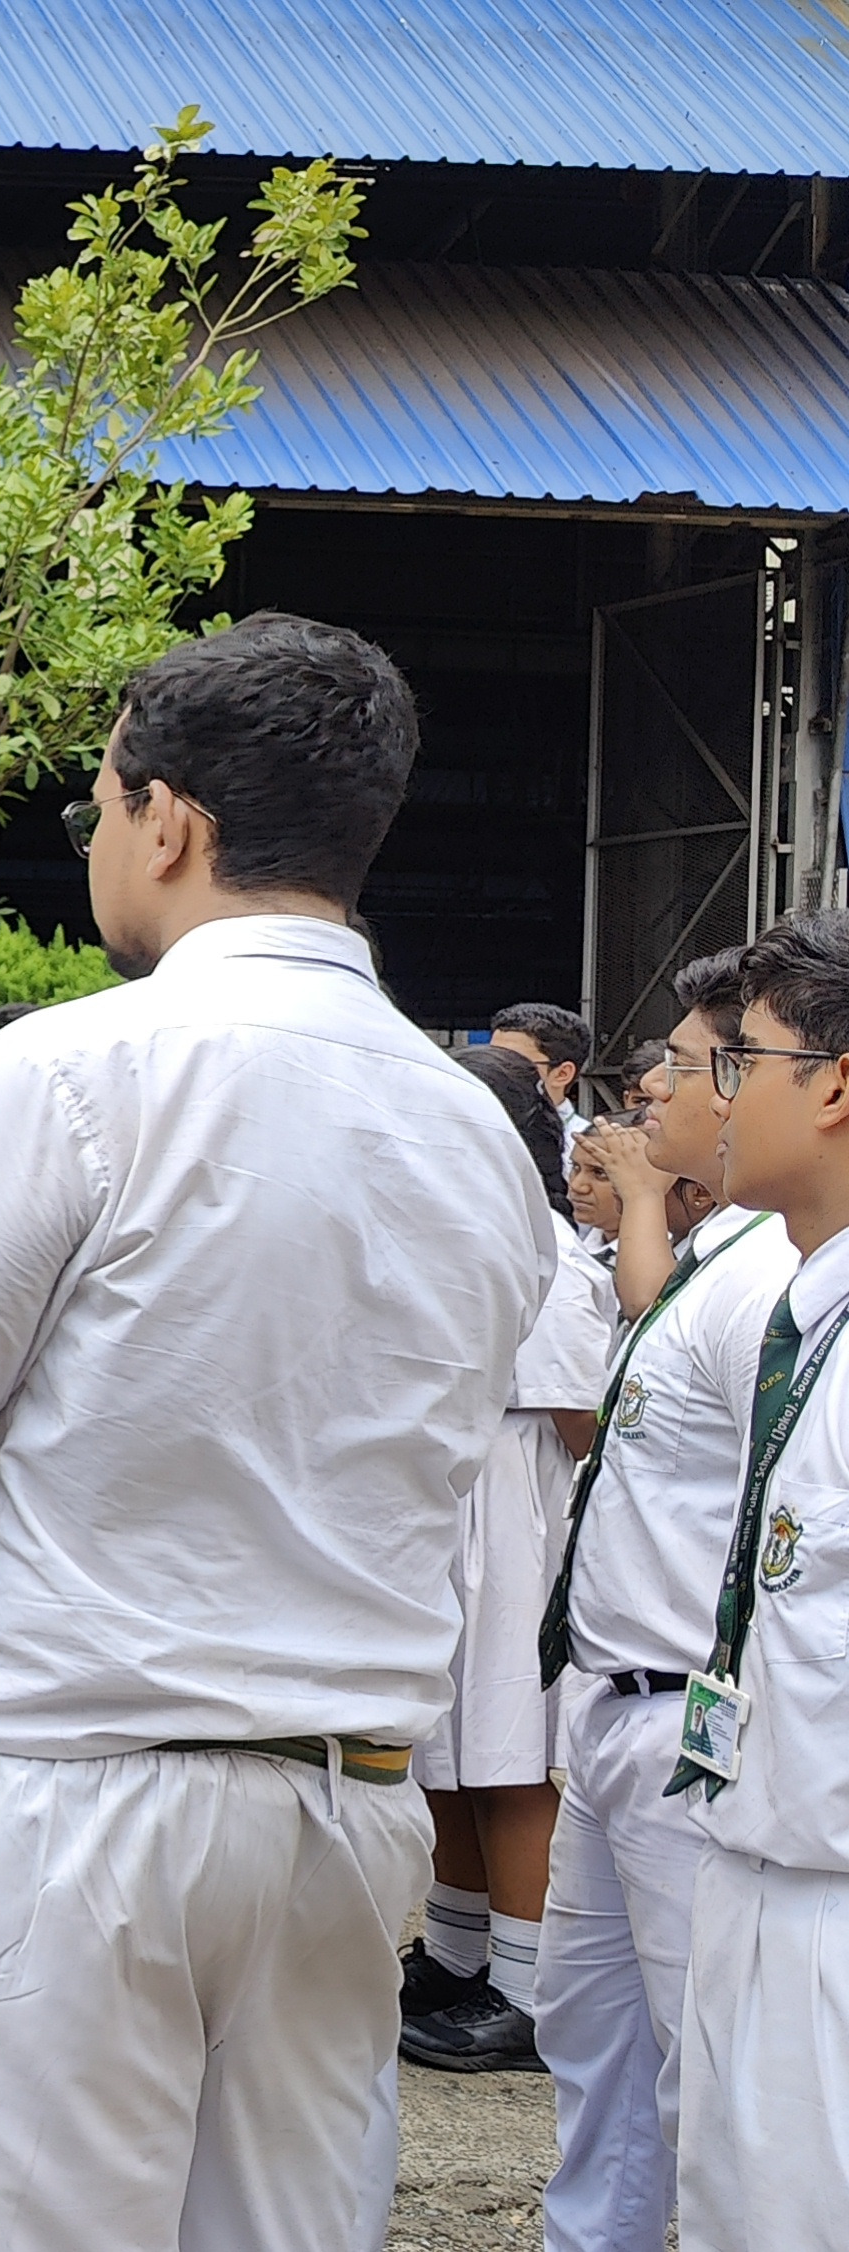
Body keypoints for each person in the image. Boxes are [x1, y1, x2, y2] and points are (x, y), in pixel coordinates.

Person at [0, 614, 548, 2252]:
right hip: (341, 1803)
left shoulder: (76, 1072)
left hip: (64, 1787)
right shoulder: (477, 1131)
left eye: (97, 807)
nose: (96, 841)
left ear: (169, 822)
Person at [536, 950, 792, 2252]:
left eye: (687, 1074)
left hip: (688, 1718)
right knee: (592, 2033)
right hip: (617, 1706)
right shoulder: (726, 1251)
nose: (658, 1104)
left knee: (700, 2060)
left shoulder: (761, 1275)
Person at [673, 912, 849, 2251]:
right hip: (753, 1857)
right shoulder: (800, 1308)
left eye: (750, 1060)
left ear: (836, 1086)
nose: (720, 1096)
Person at [395, 1044, 613, 2076]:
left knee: (510, 1758)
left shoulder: (555, 1258)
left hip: (513, 1520)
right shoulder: (455, 1237)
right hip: (451, 1513)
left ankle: (525, 1985)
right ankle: (454, 1948)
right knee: (448, 1753)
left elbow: (579, 1420)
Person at [495, 1000, 597, 1144]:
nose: (496, 1069)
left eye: (513, 1062)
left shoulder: (588, 1147)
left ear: (562, 1074)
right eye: (491, 1057)